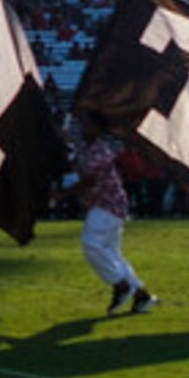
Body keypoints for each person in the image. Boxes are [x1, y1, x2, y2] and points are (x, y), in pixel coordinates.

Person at [70, 108, 153, 315]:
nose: (83, 128)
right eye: (82, 124)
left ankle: (120, 285)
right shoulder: (87, 148)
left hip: (109, 204)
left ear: (99, 129)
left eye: (88, 124)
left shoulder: (100, 150)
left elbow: (88, 180)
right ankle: (142, 296)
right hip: (106, 204)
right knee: (113, 254)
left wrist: (61, 195)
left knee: (91, 244)